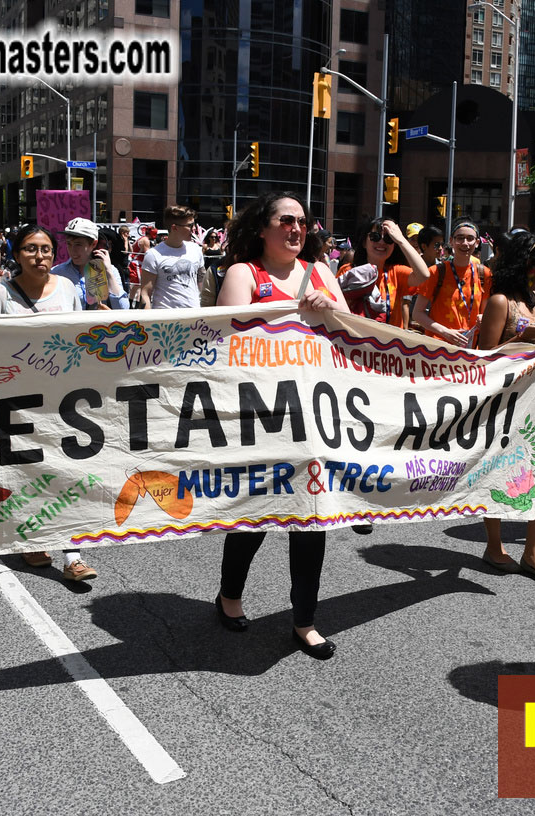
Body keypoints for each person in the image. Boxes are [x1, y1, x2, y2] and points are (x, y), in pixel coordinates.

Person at [214, 191, 350, 660]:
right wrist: (295, 311)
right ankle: (230, 596)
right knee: (253, 515)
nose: (296, 229)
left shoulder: (322, 274)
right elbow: (230, 341)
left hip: (314, 419)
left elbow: (353, 335)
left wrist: (328, 308)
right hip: (262, 419)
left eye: (302, 222)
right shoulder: (242, 274)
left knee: (312, 519)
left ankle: (305, 621)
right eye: (286, 220)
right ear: (262, 228)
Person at [0, 225, 96, 581]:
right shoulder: (0, 295)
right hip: (18, 402)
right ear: (16, 254)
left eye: (46, 249)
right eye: (31, 249)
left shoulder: (66, 289)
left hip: (64, 401)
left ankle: (72, 555)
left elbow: (80, 337)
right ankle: (31, 538)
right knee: (29, 474)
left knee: (67, 474)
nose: (40, 256)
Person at [477, 229, 535, 582]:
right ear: (530, 265)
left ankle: (533, 552)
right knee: (501, 471)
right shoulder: (501, 301)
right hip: (505, 401)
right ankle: (494, 545)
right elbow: (485, 360)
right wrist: (521, 338)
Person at [338, 217, 430, 329]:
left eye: (388, 239)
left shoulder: (396, 272)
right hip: (355, 341)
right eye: (374, 237)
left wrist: (401, 239)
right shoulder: (348, 271)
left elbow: (424, 275)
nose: (381, 242)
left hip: (389, 344)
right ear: (364, 242)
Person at [413, 220, 491, 345]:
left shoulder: (484, 274)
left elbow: (484, 312)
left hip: (469, 348)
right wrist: (445, 332)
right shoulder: (436, 272)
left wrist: (484, 318)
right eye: (460, 238)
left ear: (476, 243)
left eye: (470, 239)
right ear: (451, 241)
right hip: (438, 347)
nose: (465, 243)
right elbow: (417, 313)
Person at [52, 217, 130, 310]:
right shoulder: (57, 273)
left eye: (78, 244)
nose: (72, 250)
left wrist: (108, 272)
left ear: (93, 244)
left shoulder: (110, 270)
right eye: (69, 244)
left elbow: (123, 308)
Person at [138, 205, 204, 309]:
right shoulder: (153, 255)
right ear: (174, 228)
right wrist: (147, 321)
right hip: (166, 321)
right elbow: (145, 293)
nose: (194, 228)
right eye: (190, 225)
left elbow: (202, 284)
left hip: (195, 319)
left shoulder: (196, 249)